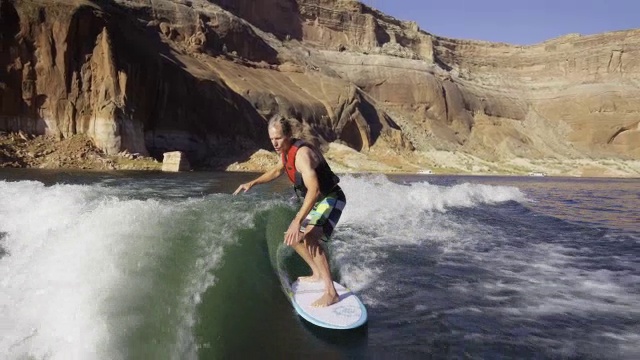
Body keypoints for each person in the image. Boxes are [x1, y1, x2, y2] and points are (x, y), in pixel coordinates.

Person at [233, 116, 346, 307]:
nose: (275, 143)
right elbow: (277, 171)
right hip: (318, 202)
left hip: (330, 198)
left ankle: (330, 292)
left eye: (278, 138)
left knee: (309, 236)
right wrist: (252, 183)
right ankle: (317, 273)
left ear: (289, 135)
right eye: (272, 139)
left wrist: (297, 220)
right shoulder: (285, 152)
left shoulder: (302, 155)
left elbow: (314, 190)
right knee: (292, 238)